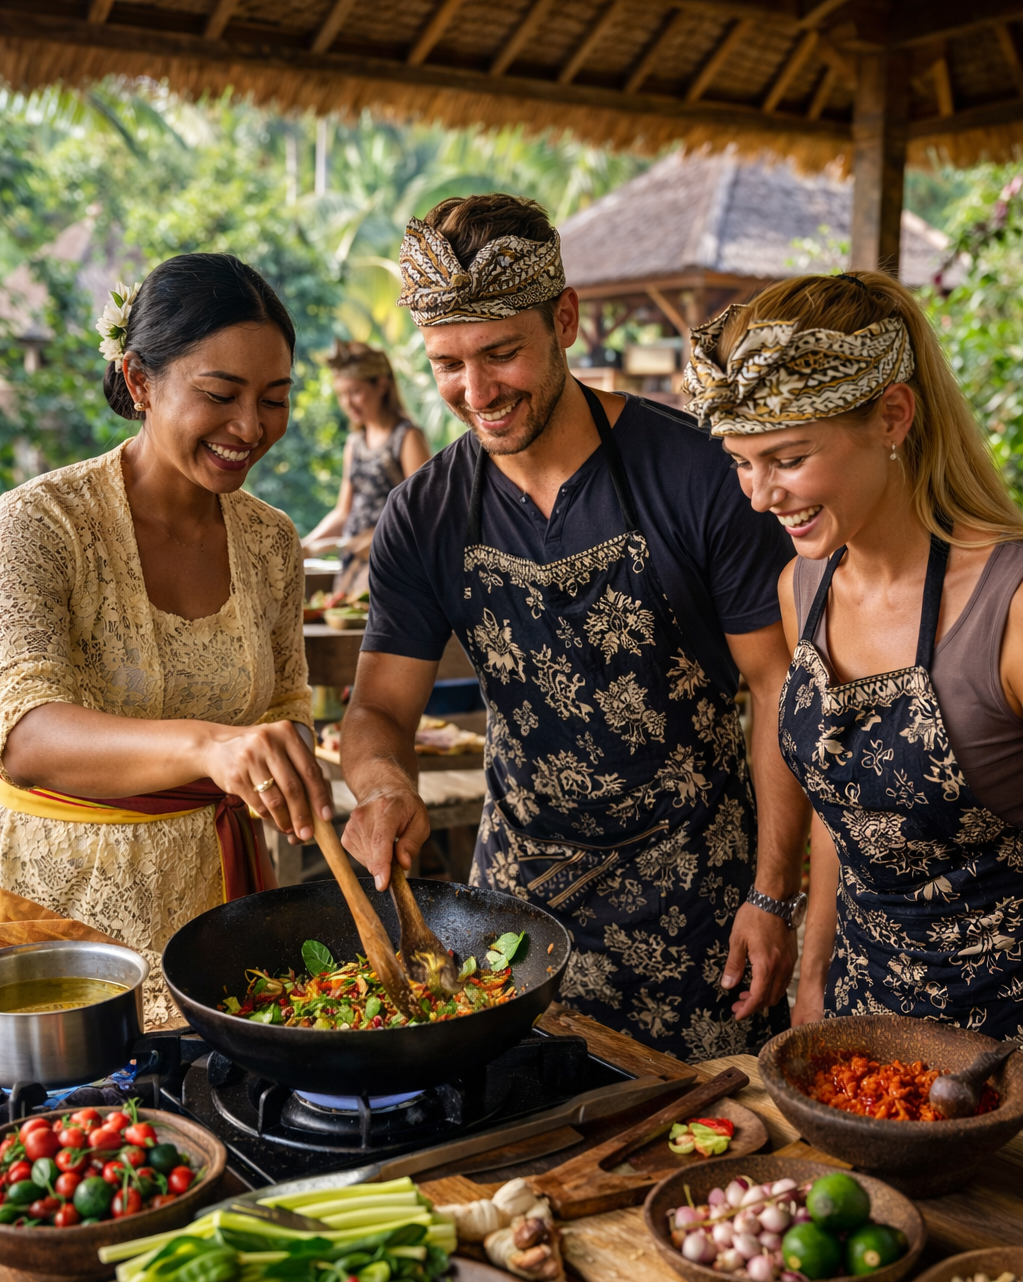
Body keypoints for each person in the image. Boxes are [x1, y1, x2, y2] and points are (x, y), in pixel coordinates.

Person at [339, 193, 810, 1062]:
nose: (477, 392)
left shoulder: (700, 472)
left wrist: (774, 893)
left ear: (565, 319)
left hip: (701, 900)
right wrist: (381, 788)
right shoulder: (424, 512)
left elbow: (778, 685)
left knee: (703, 1124)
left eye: (501, 353)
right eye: (447, 364)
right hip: (514, 907)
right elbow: (377, 711)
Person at [684, 269, 1023, 1040]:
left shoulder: (1009, 607)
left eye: (787, 458)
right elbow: (845, 813)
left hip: (1000, 1052)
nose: (759, 495)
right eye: (740, 461)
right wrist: (813, 984)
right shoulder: (801, 587)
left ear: (893, 416)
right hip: (858, 1030)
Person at [0, 253, 333, 1024]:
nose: (250, 428)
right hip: (64, 921)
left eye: (275, 400)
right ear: (140, 381)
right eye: (220, 395)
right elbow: (25, 734)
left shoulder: (272, 541)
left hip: (223, 911)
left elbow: (286, 705)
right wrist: (212, 748)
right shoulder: (40, 524)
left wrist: (288, 764)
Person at [301, 341, 430, 600]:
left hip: (392, 565)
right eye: (341, 394)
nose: (348, 403)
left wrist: (381, 537)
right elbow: (343, 513)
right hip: (353, 566)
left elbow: (425, 513)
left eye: (355, 391)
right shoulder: (354, 443)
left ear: (381, 385)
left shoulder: (407, 437)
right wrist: (304, 547)